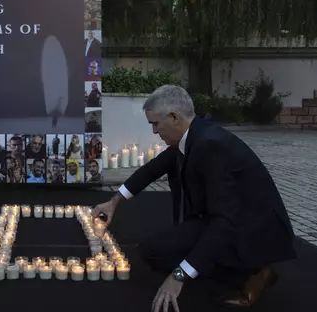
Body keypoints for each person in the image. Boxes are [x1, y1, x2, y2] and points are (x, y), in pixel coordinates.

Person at [92, 85, 296, 311]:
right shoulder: (194, 134)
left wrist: (178, 276)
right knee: (154, 249)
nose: (154, 132)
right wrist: (114, 202)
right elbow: (153, 169)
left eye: (155, 124)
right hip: (227, 217)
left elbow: (225, 222)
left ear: (174, 117)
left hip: (254, 230)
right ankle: (218, 267)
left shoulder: (210, 146)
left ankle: (252, 273)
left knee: (163, 253)